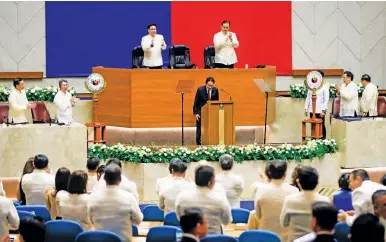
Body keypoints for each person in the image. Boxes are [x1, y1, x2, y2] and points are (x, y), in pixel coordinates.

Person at [88, 164, 143, 242]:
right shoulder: (129, 197)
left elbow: (91, 220)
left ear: (104, 178)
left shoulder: (93, 197)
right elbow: (138, 220)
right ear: (120, 179)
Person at [176, 165, 231, 234]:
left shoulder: (182, 197)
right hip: (214, 238)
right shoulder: (220, 199)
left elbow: (180, 217)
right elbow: (227, 221)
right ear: (210, 181)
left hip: (191, 238)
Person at [280, 166, 329, 242]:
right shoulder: (325, 200)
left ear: (298, 182)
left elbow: (284, 223)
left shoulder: (289, 200)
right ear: (317, 182)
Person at [254, 161, 298, 240]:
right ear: (285, 175)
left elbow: (258, 216)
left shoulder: (260, 190)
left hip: (266, 237)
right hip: (288, 238)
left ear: (269, 174)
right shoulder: (294, 191)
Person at [193, 77, 219, 145]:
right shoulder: (200, 90)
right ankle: (198, 144)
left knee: (212, 128)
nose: (210, 87)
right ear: (206, 84)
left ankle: (212, 142)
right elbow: (196, 103)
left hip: (211, 113)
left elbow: (216, 102)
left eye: (212, 85)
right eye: (209, 85)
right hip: (201, 112)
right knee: (200, 129)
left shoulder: (215, 90)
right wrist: (196, 113)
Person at [305, 70, 329, 139]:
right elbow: (308, 98)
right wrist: (306, 108)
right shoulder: (311, 87)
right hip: (312, 110)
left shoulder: (324, 87)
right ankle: (313, 140)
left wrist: (324, 110)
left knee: (321, 125)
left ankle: (322, 140)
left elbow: (326, 100)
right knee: (313, 126)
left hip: (320, 110)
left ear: (322, 77)